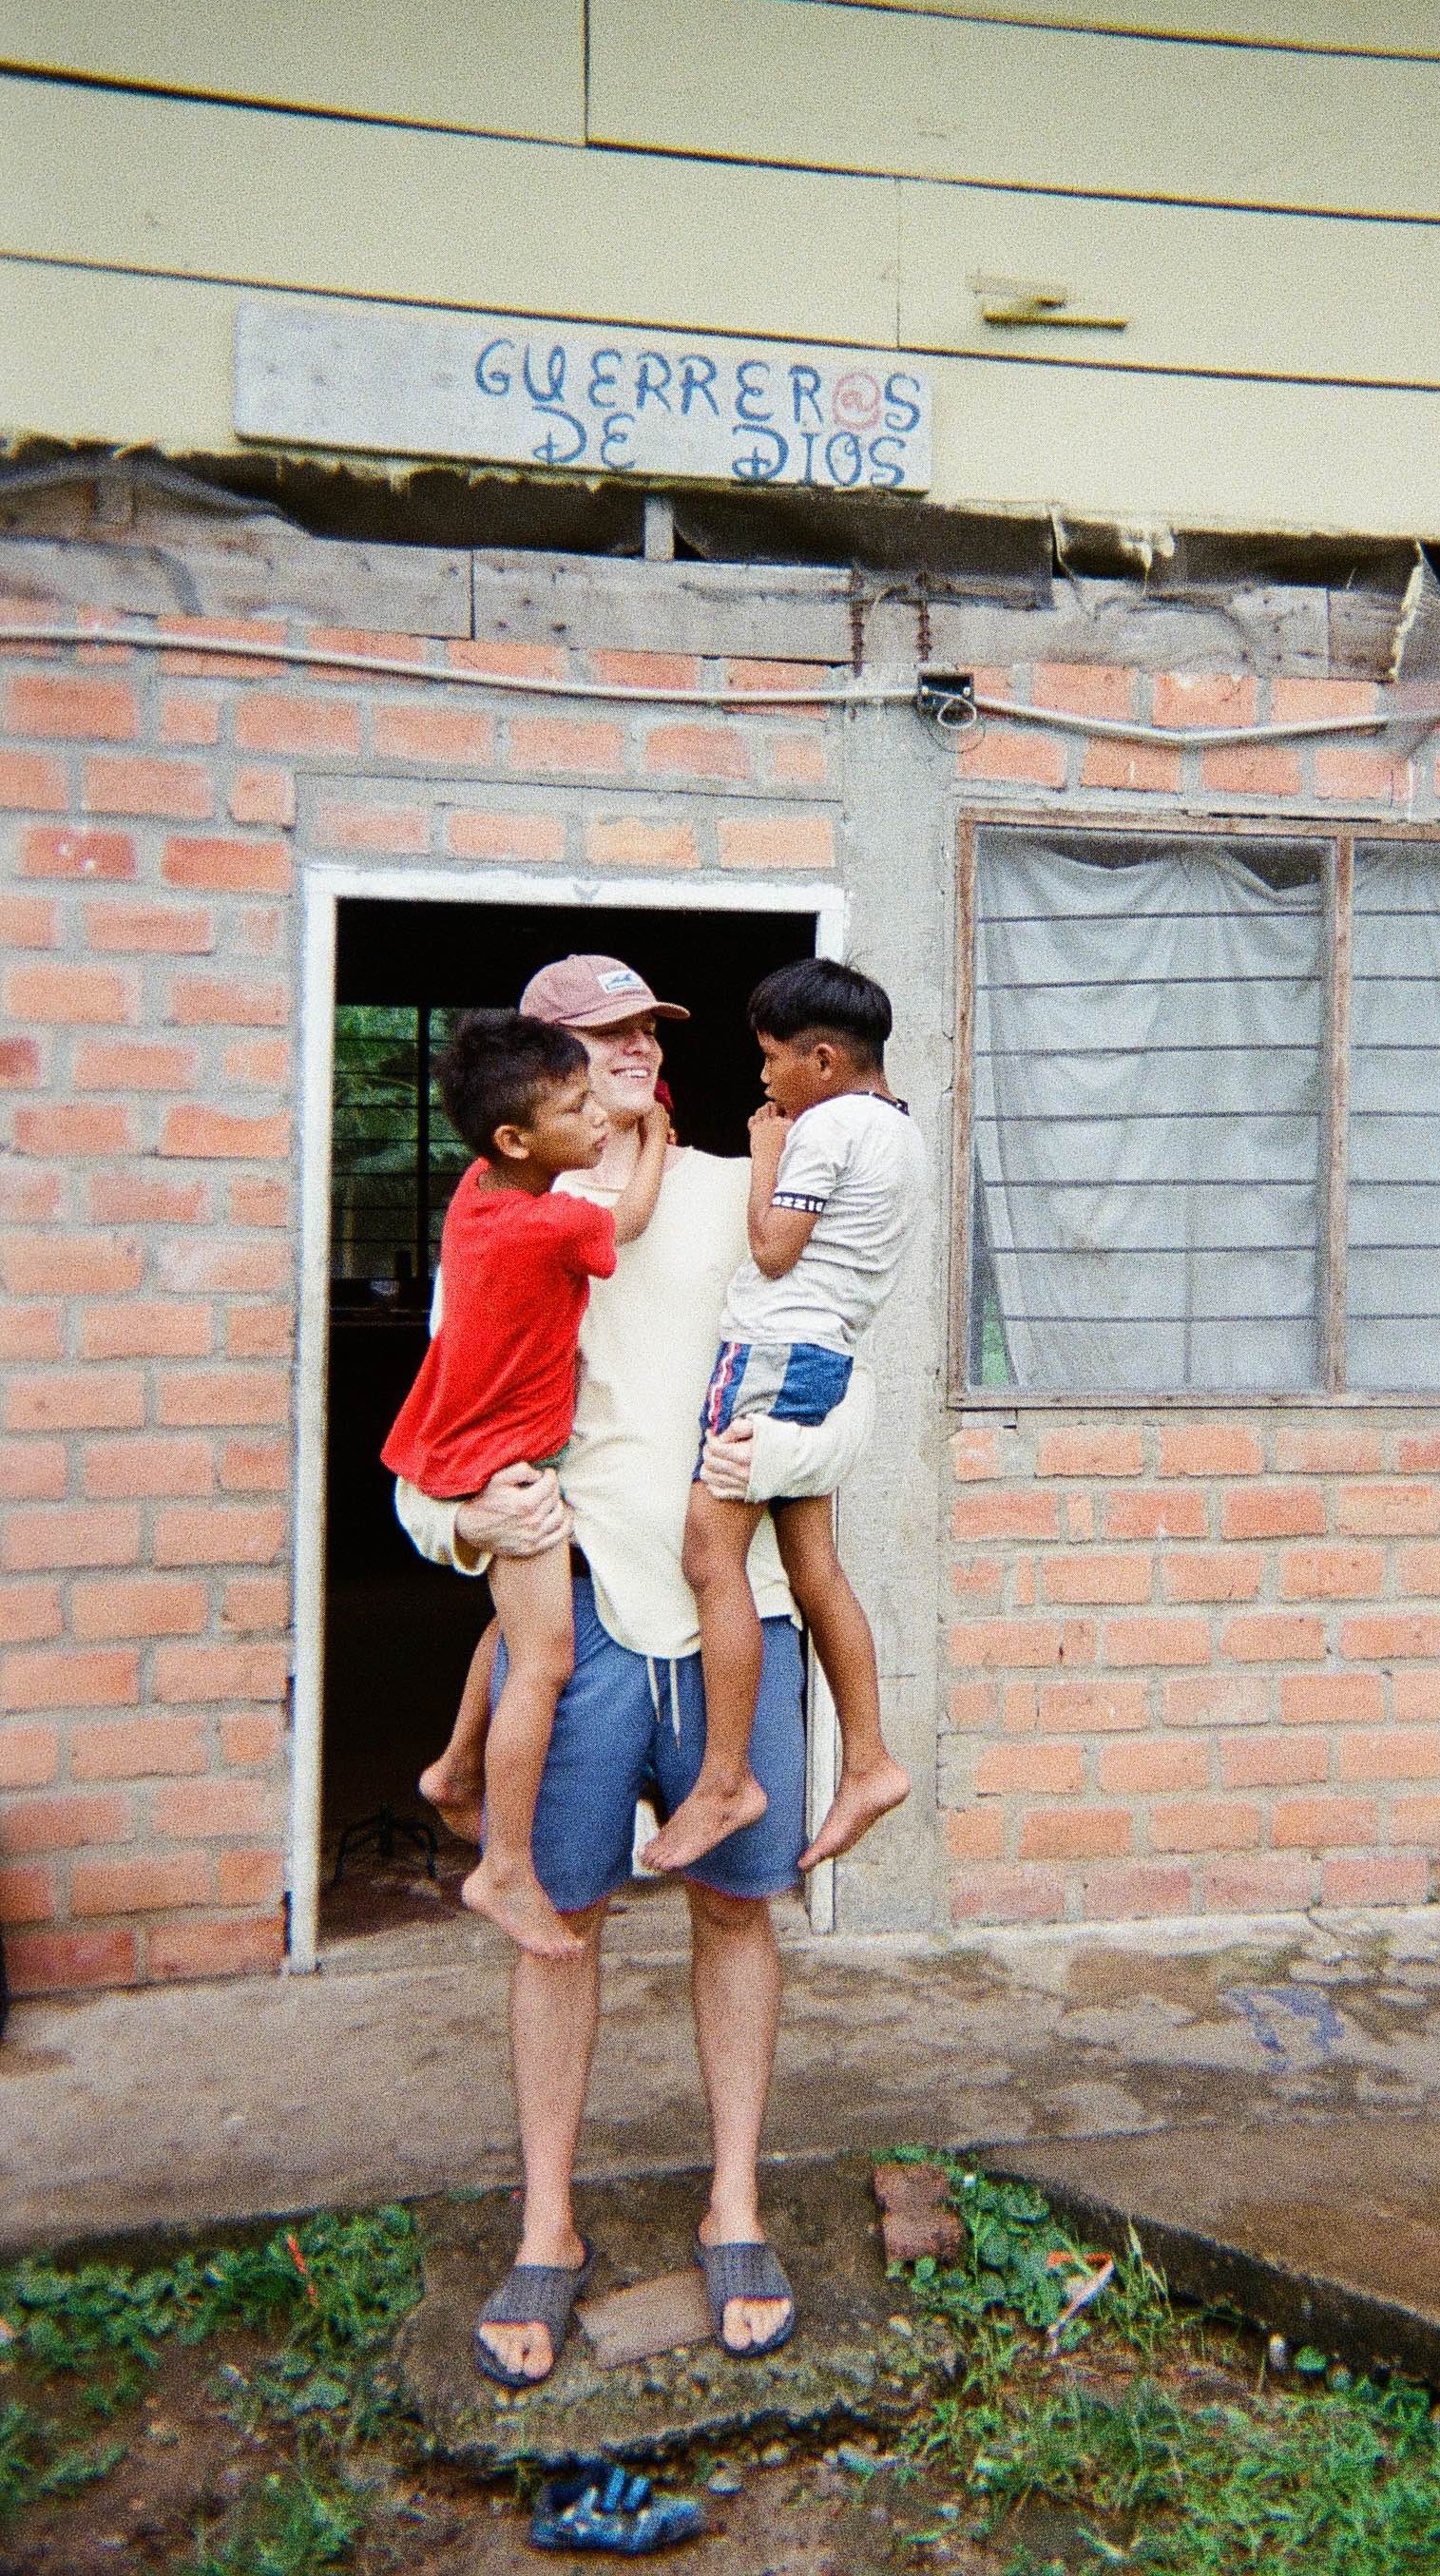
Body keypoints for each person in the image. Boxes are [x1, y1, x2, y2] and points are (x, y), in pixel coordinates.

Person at [395, 954, 852, 2382]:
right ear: (544, 1079)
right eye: (597, 1041)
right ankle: (547, 2228)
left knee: (736, 1912)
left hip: (743, 1624)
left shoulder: (744, 1202)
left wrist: (784, 1457)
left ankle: (734, 2200)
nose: (631, 1056)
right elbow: (436, 1440)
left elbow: (846, 1395)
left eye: (645, 1031)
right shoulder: (513, 1214)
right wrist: (464, 1521)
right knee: (561, 1926)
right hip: (581, 1623)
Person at [383, 1009, 673, 1963]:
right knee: (543, 1665)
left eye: (598, 1102)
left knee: (513, 1631)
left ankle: (455, 1770)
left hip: (470, 1442)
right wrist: (658, 1132)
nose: (597, 1120)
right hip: (510, 1466)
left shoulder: (477, 1192)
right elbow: (623, 1220)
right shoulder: (548, 1223)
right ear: (515, 1139)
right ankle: (503, 1865)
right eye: (574, 1107)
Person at [640, 959, 923, 1880]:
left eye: (771, 1061)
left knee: (705, 1553)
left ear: (826, 1059)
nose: (763, 1080)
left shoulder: (825, 1127)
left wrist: (765, 1156)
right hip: (823, 1358)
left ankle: (724, 1779)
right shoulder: (897, 1128)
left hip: (772, 1355)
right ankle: (869, 1758)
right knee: (811, 1566)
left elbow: (771, 1251)